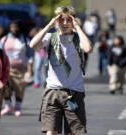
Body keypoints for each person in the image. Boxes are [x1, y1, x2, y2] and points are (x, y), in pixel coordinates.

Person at [30, 6, 92, 135]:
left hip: (74, 92)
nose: (64, 23)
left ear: (73, 21)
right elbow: (33, 45)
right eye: (61, 20)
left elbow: (88, 49)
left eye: (68, 20)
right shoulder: (50, 37)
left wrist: (77, 27)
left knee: (71, 132)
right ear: (56, 21)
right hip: (53, 91)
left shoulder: (77, 38)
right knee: (50, 132)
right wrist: (49, 25)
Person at [0, 20, 34, 117]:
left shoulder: (25, 40)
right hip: (6, 68)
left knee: (20, 88)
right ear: (9, 28)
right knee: (5, 87)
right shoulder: (4, 39)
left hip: (20, 69)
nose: (14, 29)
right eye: (12, 27)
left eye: (16, 27)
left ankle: (17, 107)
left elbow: (30, 55)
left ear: (19, 27)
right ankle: (7, 106)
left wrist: (30, 68)